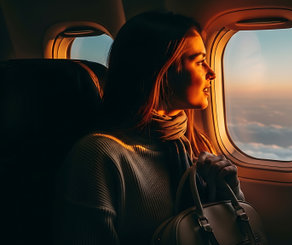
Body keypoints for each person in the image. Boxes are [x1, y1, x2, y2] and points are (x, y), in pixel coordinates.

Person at [54, 11, 244, 244]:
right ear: (162, 71)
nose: (211, 73)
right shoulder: (99, 157)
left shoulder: (194, 144)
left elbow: (233, 232)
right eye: (199, 61)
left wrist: (229, 188)